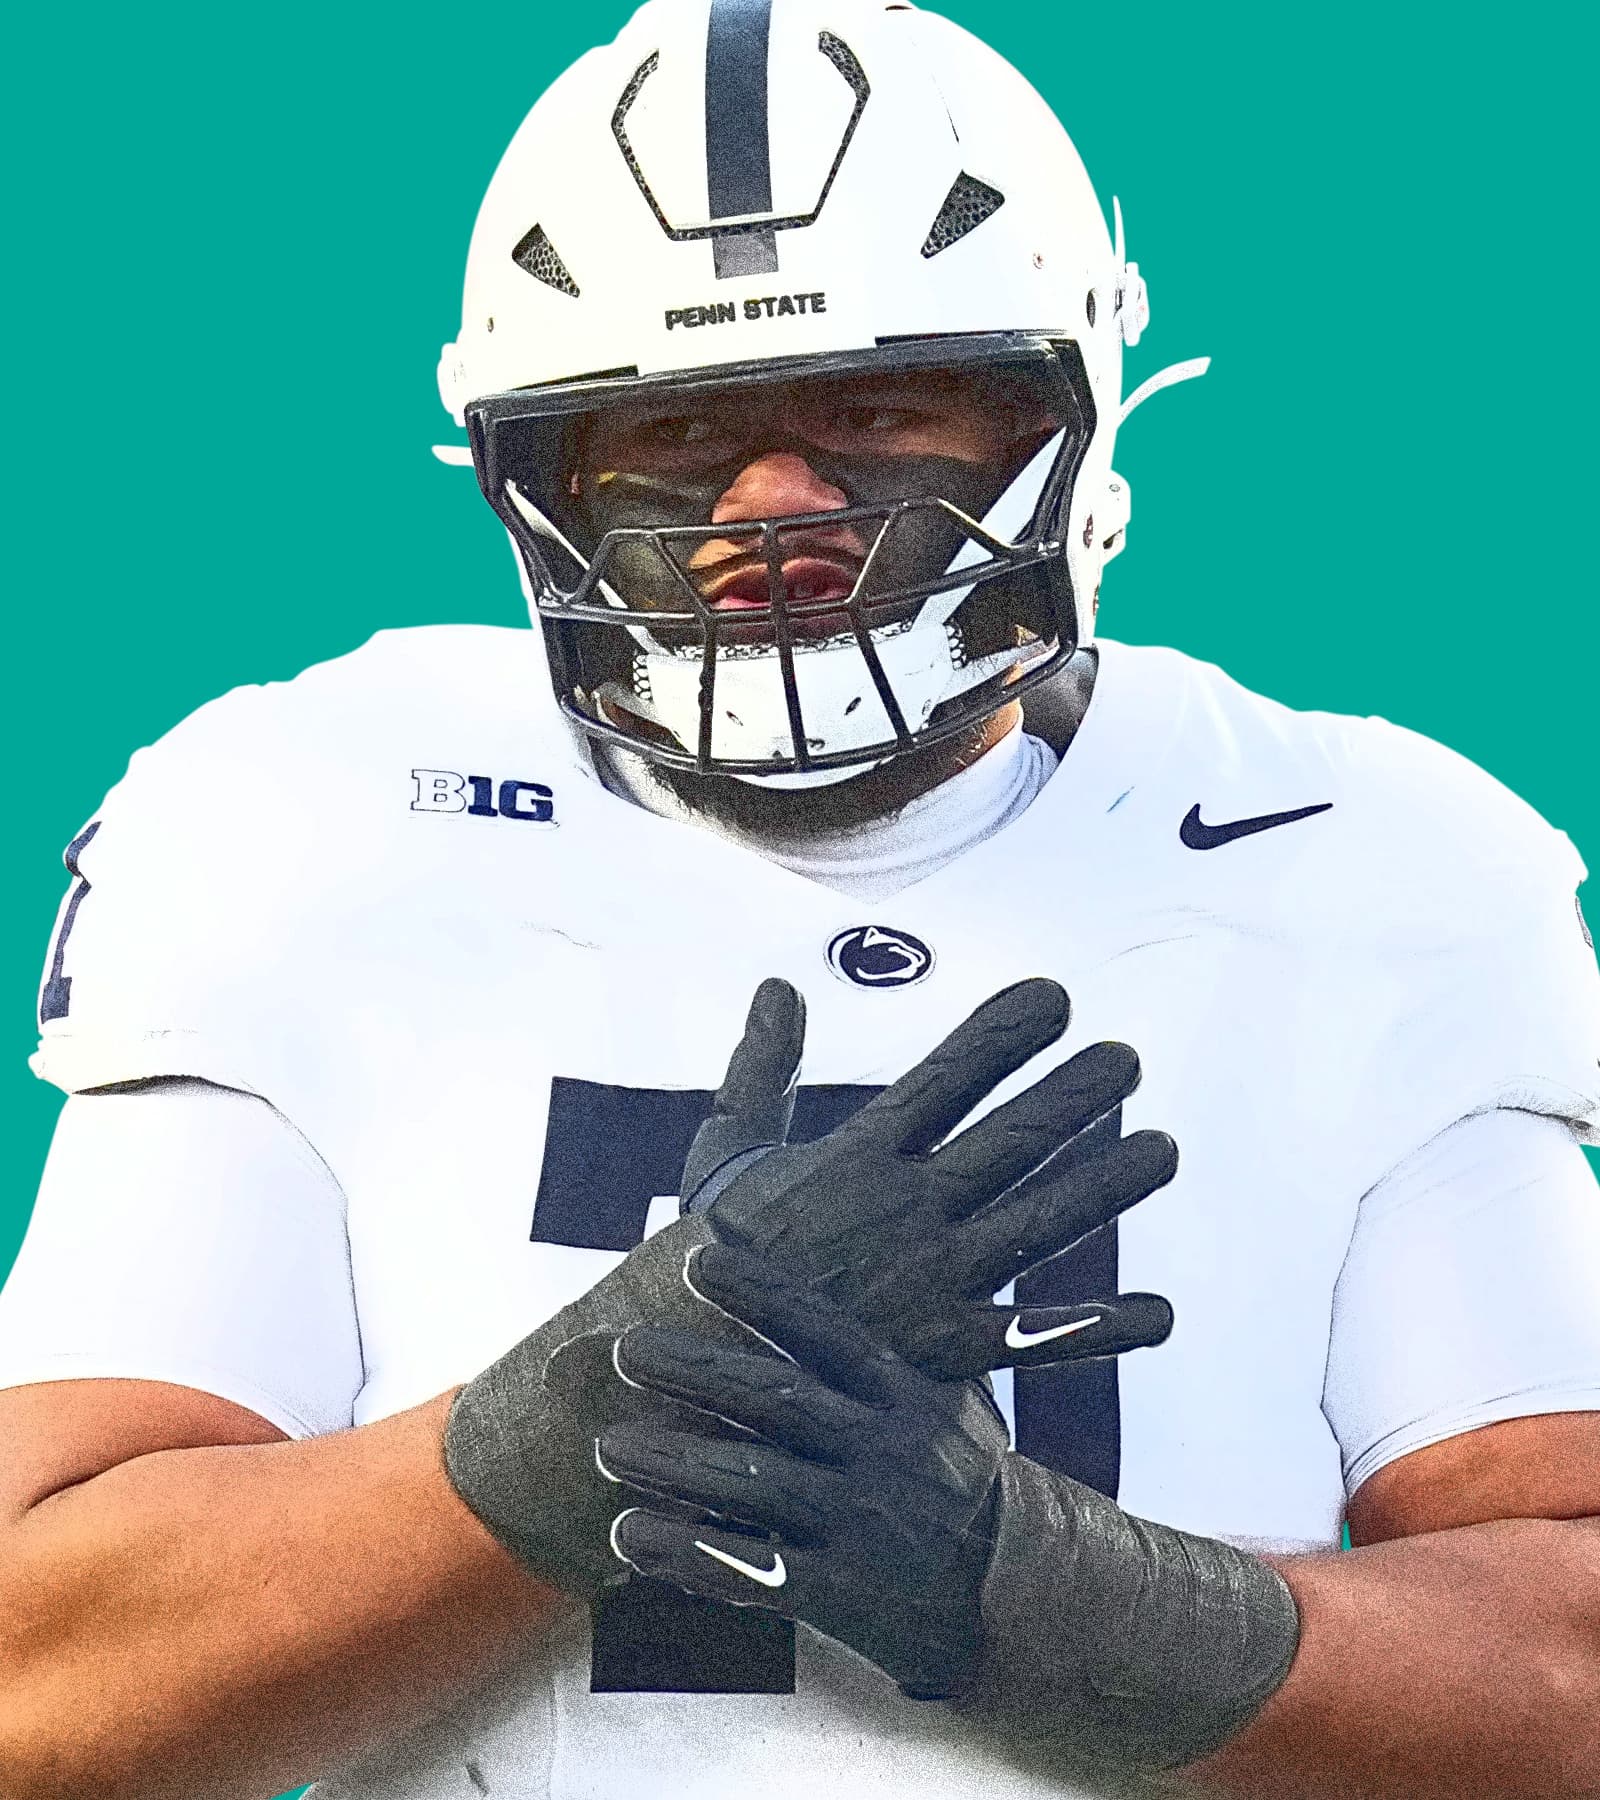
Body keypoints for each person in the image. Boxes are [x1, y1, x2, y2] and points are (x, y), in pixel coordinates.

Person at [1, 0, 1598, 1796]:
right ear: (541, 481)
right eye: (680, 435)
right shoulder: (313, 826)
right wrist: (592, 1422)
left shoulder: (1360, 863)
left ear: (1063, 420)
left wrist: (1035, 1593)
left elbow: (1571, 1678)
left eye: (880, 412)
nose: (778, 511)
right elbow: (36, 1693)